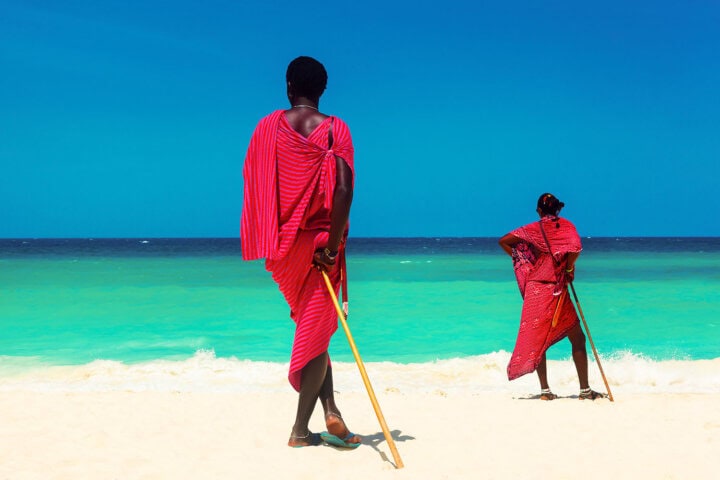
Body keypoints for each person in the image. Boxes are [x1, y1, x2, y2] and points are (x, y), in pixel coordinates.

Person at [241, 56, 362, 447]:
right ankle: (299, 430)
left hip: (285, 248)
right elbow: (343, 190)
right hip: (322, 244)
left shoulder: (267, 127)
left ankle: (332, 411)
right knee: (315, 329)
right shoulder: (335, 129)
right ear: (323, 89)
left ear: (289, 85)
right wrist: (332, 247)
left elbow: (256, 182)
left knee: (315, 327)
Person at [499, 193, 604, 400]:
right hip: (556, 287)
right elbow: (576, 248)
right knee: (577, 337)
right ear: (558, 209)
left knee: (539, 340)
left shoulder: (532, 229)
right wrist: (568, 267)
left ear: (539, 211)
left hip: (536, 290)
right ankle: (584, 390)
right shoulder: (566, 226)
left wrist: (526, 260)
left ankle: (545, 391)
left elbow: (504, 241)